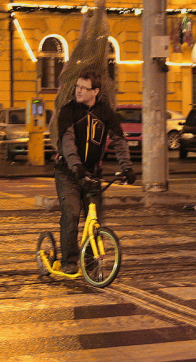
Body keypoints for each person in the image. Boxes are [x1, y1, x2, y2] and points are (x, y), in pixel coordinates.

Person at [55, 72, 136, 274]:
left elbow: (118, 140)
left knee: (95, 217)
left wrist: (127, 167)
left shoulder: (105, 112)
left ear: (96, 91)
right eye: (77, 87)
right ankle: (69, 260)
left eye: (84, 87)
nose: (78, 91)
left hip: (92, 173)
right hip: (68, 172)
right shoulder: (68, 111)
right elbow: (67, 141)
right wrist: (76, 166)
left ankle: (90, 262)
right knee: (72, 213)